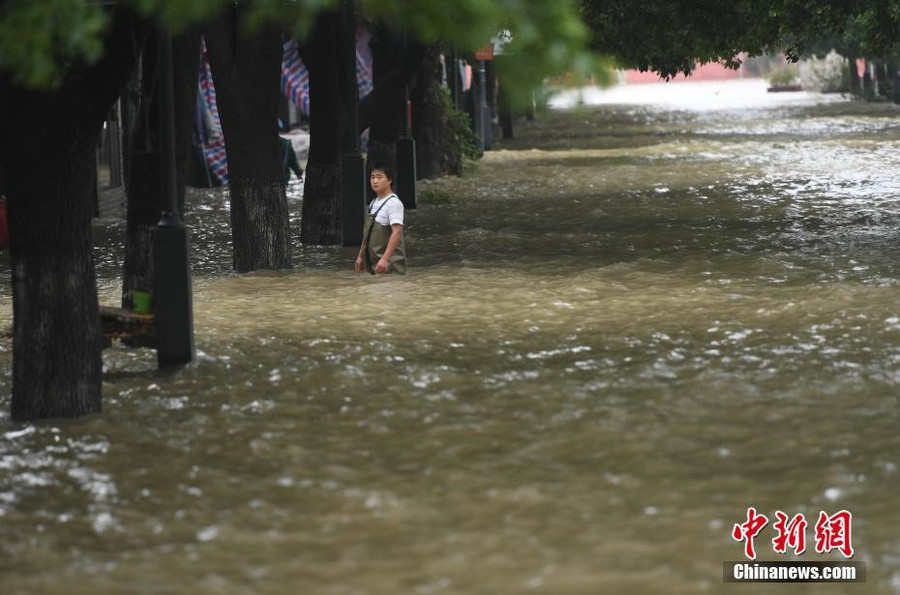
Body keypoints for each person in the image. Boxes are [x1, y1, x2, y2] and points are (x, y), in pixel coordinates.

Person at [355, 162, 406, 275]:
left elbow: (397, 232)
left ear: (389, 180)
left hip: (389, 266)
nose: (375, 181)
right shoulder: (373, 203)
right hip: (374, 264)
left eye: (379, 177)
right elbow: (367, 234)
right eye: (372, 177)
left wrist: (384, 259)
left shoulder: (393, 203)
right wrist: (360, 256)